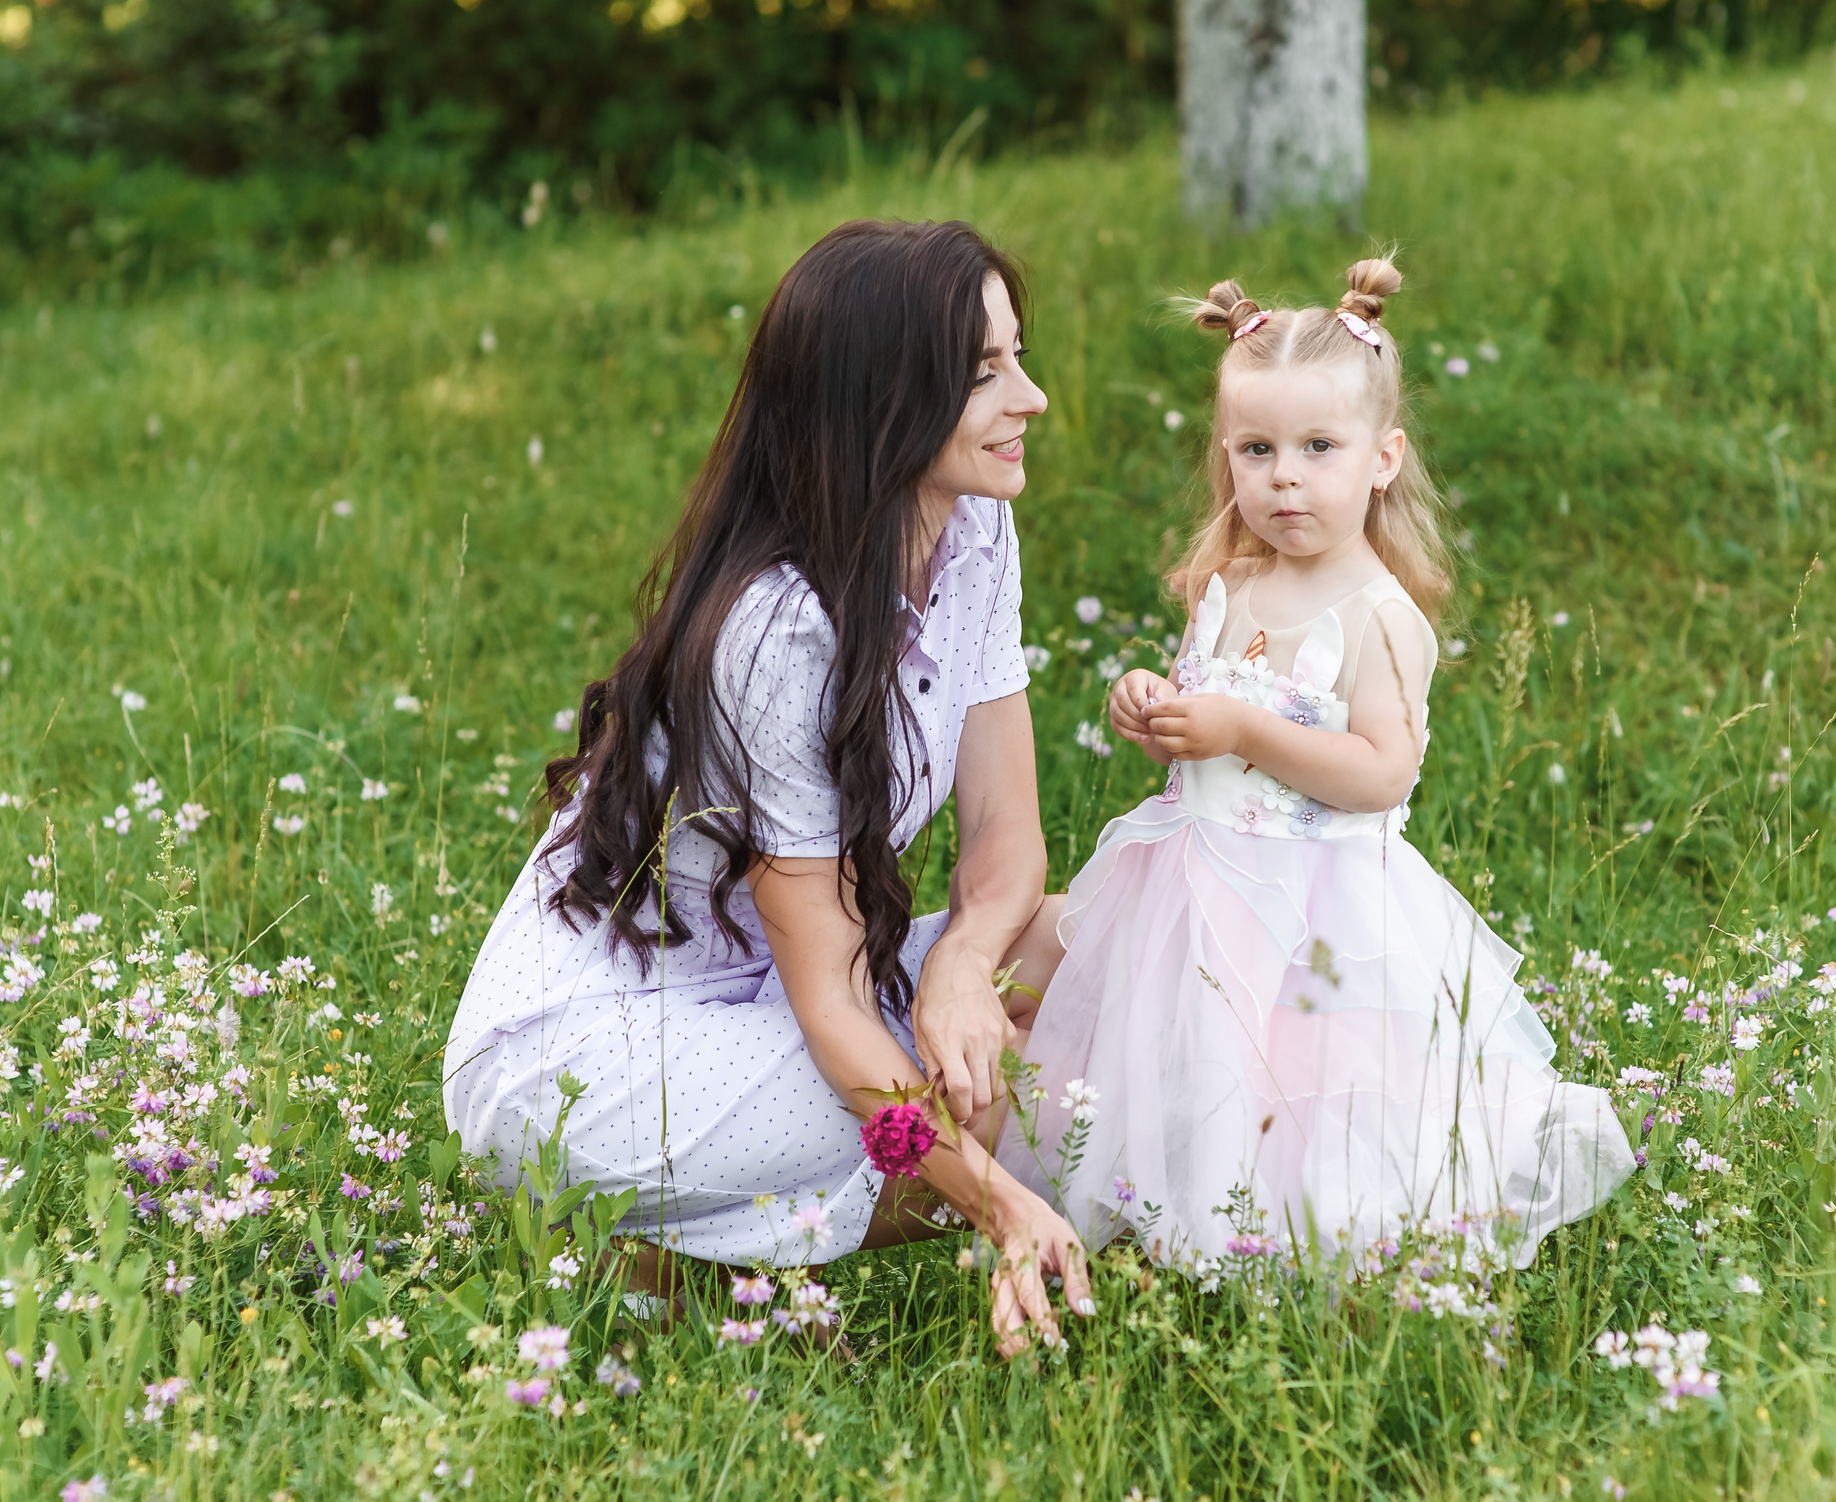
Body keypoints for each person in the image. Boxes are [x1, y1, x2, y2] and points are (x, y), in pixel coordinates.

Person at [441, 219, 1092, 1354]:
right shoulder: (777, 626)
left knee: (1098, 946)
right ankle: (684, 1271)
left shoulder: (976, 527)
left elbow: (1006, 831)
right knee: (1018, 1087)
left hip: (759, 998)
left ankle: (679, 1267)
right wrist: (995, 1200)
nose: (1029, 397)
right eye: (985, 374)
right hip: (590, 1059)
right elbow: (837, 1013)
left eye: (1017, 356)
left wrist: (955, 967)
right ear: (881, 399)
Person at [1008, 258, 1635, 1272]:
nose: (1284, 475)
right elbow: (1199, 712)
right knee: (1182, 1057)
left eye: (1316, 447)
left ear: (1381, 458)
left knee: (1306, 1080)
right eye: (1256, 449)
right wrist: (1153, 704)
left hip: (1317, 900)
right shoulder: (1228, 584)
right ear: (1226, 457)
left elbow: (1380, 772)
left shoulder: (1379, 615)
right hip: (1187, 877)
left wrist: (1244, 733)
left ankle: (1316, 1251)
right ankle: (1172, 1230)